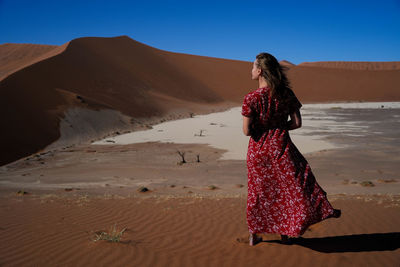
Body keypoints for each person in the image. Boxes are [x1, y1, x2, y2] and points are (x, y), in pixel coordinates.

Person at [242, 52, 341, 246]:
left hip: (258, 151)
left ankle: (254, 234)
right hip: (282, 148)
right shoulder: (286, 94)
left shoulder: (251, 98)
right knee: (288, 189)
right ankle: (286, 232)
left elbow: (246, 131)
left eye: (253, 67)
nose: (251, 70)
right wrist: (278, 128)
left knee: (258, 192)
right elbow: (296, 123)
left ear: (260, 70)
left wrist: (262, 129)